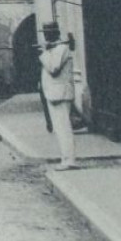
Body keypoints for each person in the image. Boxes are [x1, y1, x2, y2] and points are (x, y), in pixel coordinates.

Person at [39, 21, 79, 170]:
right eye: (45, 32)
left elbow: (53, 68)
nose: (46, 35)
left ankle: (69, 160)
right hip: (54, 93)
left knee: (64, 128)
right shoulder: (56, 49)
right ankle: (65, 158)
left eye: (48, 32)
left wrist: (44, 52)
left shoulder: (62, 48)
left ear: (55, 33)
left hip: (60, 94)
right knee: (60, 128)